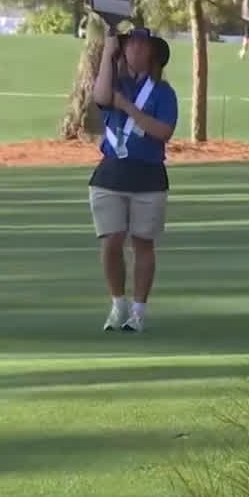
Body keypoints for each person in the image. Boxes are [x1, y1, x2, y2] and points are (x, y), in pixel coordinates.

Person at [88, 26, 178, 332]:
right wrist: (107, 51)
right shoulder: (115, 83)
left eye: (141, 46)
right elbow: (100, 96)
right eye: (129, 46)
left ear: (152, 53)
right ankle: (118, 304)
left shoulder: (163, 93)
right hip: (111, 173)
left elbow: (163, 131)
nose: (134, 50)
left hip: (149, 175)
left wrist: (127, 108)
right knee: (111, 240)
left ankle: (139, 309)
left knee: (142, 243)